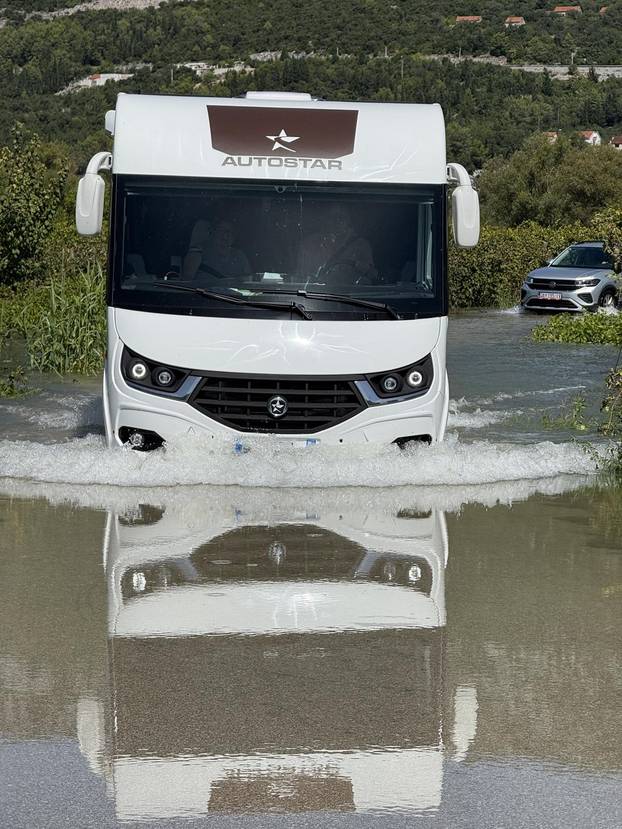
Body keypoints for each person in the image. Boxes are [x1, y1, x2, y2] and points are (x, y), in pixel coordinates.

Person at [296, 204, 375, 284]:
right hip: (315, 293)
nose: (336, 221)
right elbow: (301, 276)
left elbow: (371, 275)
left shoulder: (360, 245)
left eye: (341, 217)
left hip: (349, 294)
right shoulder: (309, 244)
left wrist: (356, 265)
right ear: (325, 219)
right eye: (332, 217)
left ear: (349, 220)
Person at [182, 218, 251, 280]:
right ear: (213, 233)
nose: (225, 236)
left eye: (230, 232)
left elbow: (248, 281)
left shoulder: (239, 256)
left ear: (234, 238)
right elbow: (186, 283)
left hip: (232, 294)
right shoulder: (199, 253)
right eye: (221, 230)